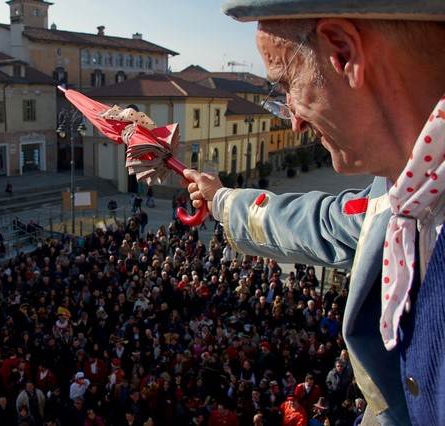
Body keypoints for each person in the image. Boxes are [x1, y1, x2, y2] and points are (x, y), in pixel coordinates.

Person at [184, 2, 445, 424]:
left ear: (343, 53)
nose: (295, 122)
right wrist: (222, 200)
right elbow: (327, 223)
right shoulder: (402, 188)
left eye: (286, 83)